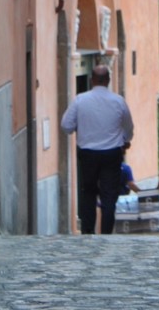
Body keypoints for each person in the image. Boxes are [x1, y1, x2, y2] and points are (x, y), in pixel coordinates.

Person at [61, 63, 134, 234]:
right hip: (112, 154)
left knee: (89, 192)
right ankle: (106, 233)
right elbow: (129, 128)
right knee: (109, 196)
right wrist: (125, 140)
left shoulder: (80, 100)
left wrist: (80, 127)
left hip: (88, 154)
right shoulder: (118, 101)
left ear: (92, 80)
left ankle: (88, 232)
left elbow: (66, 126)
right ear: (108, 80)